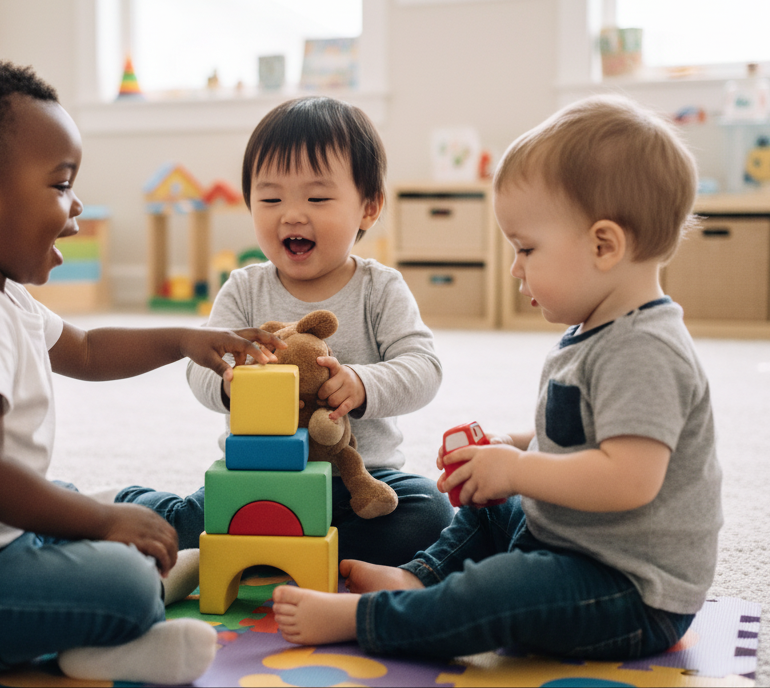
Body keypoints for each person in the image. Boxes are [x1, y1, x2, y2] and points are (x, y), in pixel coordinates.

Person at [0, 55, 286, 684]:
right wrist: (101, 526)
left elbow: (87, 351)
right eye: (61, 184)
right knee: (117, 574)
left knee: (77, 500)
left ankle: (118, 581)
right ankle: (106, 641)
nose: (77, 205)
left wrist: (184, 338)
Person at [272, 94, 723, 662]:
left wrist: (518, 468)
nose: (515, 268)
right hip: (571, 545)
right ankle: (420, 576)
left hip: (628, 591)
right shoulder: (598, 332)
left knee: (499, 590)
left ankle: (371, 621)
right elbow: (585, 443)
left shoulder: (646, 350)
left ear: (604, 245)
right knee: (493, 509)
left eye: (526, 249)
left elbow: (629, 478)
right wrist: (512, 448)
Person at [184, 96, 453, 566]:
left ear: (368, 208)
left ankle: (296, 554)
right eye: (270, 198)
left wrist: (362, 384)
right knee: (188, 521)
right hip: (261, 480)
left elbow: (424, 367)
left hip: (359, 482)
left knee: (431, 513)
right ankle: (148, 508)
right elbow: (199, 367)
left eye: (317, 198)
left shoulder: (379, 288)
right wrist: (230, 384)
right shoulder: (244, 289)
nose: (290, 214)